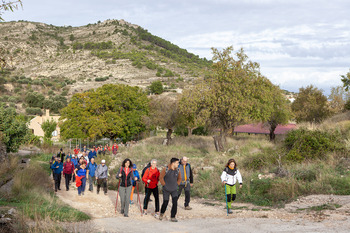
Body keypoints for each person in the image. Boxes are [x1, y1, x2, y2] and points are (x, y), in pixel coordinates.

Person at [159, 158, 181, 222]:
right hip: (166, 189)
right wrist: (164, 185)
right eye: (177, 163)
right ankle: (162, 213)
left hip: (174, 189)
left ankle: (173, 217)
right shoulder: (165, 169)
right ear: (173, 163)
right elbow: (161, 178)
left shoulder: (178, 170)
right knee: (165, 202)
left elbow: (180, 178)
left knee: (175, 202)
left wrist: (177, 184)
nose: (178, 164)